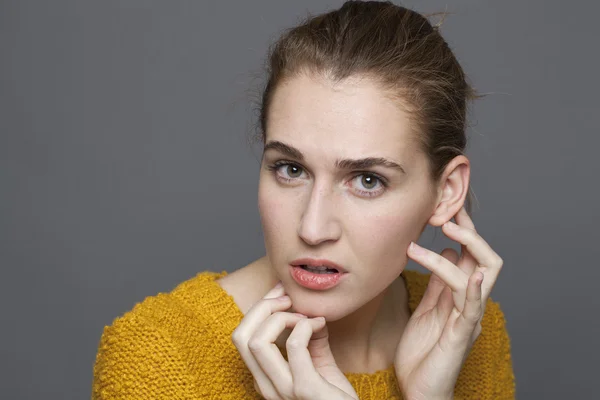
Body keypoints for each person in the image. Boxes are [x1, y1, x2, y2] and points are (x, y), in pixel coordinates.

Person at [91, 1, 515, 399]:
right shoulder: (157, 357)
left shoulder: (464, 332)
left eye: (367, 180)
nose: (312, 229)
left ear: (446, 192)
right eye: (291, 170)